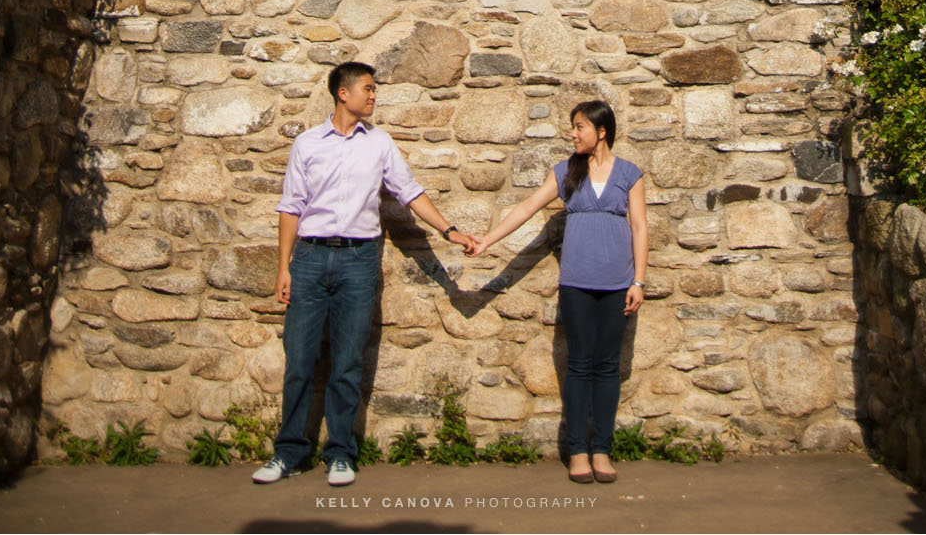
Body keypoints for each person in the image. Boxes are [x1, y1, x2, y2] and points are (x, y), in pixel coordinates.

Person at [253, 60, 477, 487]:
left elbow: (410, 192)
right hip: (311, 259)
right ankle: (289, 453)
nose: (374, 96)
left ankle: (341, 454)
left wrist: (449, 229)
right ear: (344, 93)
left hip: (358, 261)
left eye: (374, 90)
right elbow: (291, 206)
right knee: (299, 360)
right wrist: (283, 267)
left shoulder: (380, 144)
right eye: (368, 89)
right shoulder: (307, 144)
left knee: (347, 362)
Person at [471, 99, 648, 485]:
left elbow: (639, 228)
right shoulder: (567, 171)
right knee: (580, 365)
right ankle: (578, 452)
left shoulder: (630, 174)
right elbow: (528, 207)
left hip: (618, 285)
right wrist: (488, 240)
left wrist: (639, 281)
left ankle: (602, 448)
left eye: (580, 127)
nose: (573, 133)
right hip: (576, 285)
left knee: (607, 368)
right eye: (573, 127)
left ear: (601, 131)